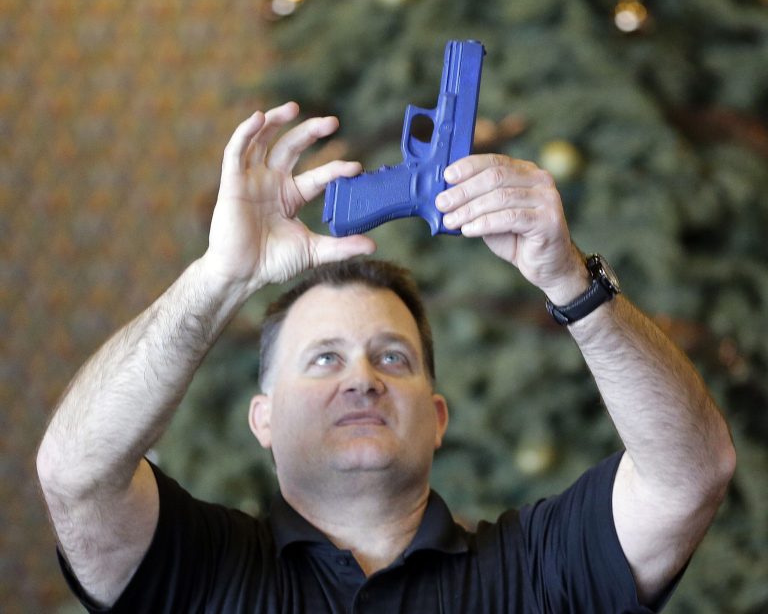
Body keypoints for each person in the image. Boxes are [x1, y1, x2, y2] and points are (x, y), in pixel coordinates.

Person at [37, 101, 735, 613]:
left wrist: (571, 284)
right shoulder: (202, 571)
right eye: (322, 360)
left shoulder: (538, 568)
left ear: (437, 418)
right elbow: (74, 475)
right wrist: (218, 279)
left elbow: (691, 475)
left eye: (393, 358)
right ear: (263, 420)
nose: (362, 380)